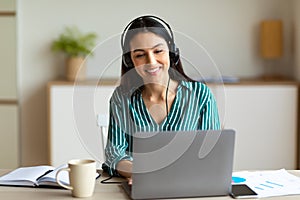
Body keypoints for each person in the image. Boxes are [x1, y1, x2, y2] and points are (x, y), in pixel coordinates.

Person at [103, 15, 220, 180]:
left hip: (189, 188)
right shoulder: (122, 98)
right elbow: (114, 156)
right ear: (130, 61)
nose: (150, 61)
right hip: (141, 188)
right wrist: (142, 174)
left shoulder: (200, 95)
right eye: (139, 55)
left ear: (172, 53)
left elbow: (211, 155)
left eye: (158, 51)